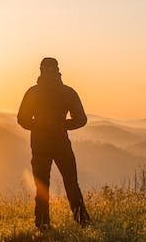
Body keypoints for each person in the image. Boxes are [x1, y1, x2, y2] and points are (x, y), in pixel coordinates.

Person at [17, 57, 91, 230]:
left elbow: (22, 119)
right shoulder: (67, 92)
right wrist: (61, 125)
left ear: (40, 70)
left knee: (42, 185)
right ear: (58, 70)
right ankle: (83, 221)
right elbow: (81, 119)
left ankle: (43, 224)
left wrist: (39, 125)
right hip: (61, 143)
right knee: (71, 183)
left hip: (39, 144)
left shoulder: (33, 92)